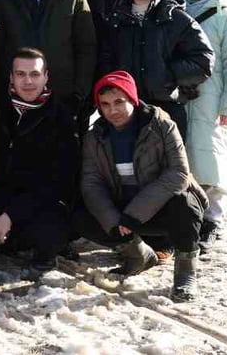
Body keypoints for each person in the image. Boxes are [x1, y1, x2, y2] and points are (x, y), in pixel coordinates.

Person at [77, 71, 207, 302]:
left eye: (119, 102)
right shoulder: (94, 137)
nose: (113, 110)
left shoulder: (161, 124)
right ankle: (137, 254)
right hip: (123, 207)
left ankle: (186, 273)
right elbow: (91, 182)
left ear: (133, 100)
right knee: (79, 212)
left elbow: (178, 173)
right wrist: (113, 220)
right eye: (105, 104)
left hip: (159, 205)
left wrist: (134, 214)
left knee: (185, 204)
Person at [0, 48, 77, 273]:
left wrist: (10, 215)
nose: (28, 81)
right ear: (11, 77)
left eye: (35, 74)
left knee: (51, 230)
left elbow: (58, 182)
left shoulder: (61, 116)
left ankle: (44, 253)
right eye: (20, 74)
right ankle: (1, 240)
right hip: (1, 195)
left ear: (46, 76)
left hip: (41, 201)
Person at [173, 0, 227, 251]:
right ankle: (186, 216)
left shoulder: (225, 16)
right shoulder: (171, 9)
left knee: (209, 156)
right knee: (181, 155)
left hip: (210, 97)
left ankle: (213, 218)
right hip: (177, 93)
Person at [98, 0, 213, 138]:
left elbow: (203, 61)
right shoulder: (116, 20)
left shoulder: (175, 18)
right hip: (126, 109)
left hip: (167, 110)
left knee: (170, 165)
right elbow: (104, 59)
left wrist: (167, 74)